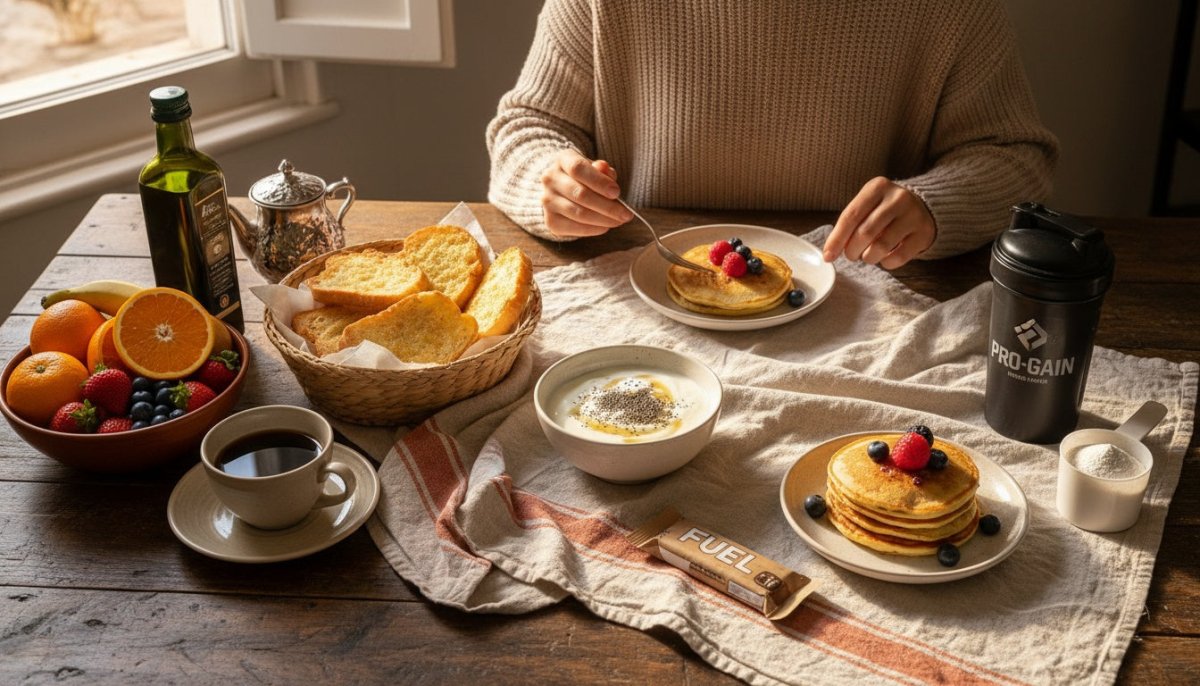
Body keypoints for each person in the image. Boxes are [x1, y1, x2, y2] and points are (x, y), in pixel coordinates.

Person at [486, 0, 1058, 269]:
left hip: (864, 302)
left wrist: (933, 208)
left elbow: (1013, 157)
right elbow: (528, 126)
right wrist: (550, 182)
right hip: (648, 291)